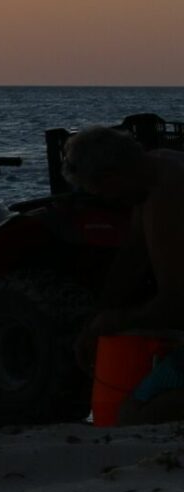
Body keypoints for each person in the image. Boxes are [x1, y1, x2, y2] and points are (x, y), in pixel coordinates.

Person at [63, 125, 184, 426]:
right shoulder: (158, 169)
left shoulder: (167, 194)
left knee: (133, 414)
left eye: (102, 193)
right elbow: (131, 258)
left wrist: (113, 322)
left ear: (112, 176)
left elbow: (175, 302)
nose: (108, 201)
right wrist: (95, 322)